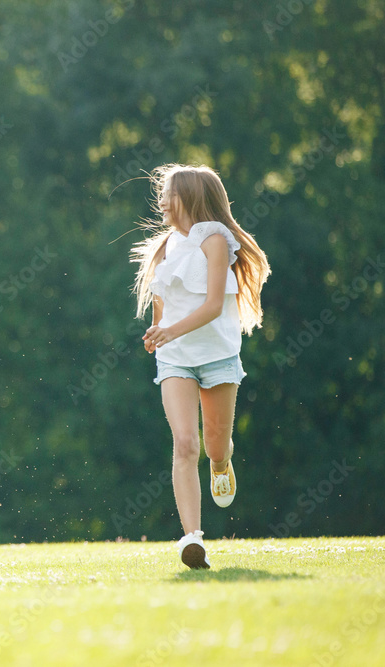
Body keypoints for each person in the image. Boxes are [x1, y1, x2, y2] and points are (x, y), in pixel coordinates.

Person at [131, 164, 270, 569]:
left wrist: (169, 331)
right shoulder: (166, 245)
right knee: (185, 445)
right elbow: (163, 298)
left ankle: (223, 461)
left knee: (212, 445)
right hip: (176, 360)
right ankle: (193, 540)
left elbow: (212, 305)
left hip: (217, 357)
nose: (161, 200)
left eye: (168, 192)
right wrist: (158, 330)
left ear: (190, 196)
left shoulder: (215, 240)